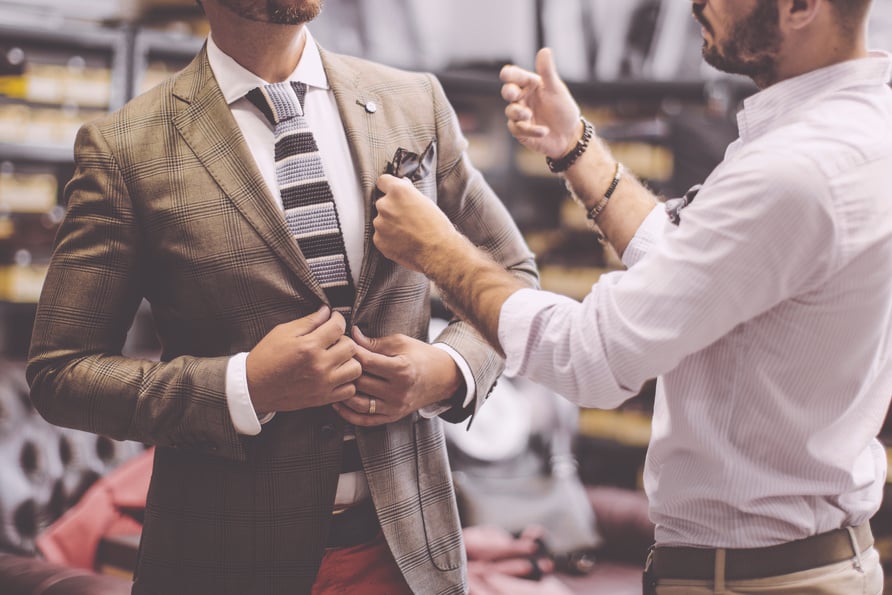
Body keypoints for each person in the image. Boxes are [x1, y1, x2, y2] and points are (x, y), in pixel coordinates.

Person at [371, 0, 892, 592]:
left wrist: (438, 249)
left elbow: (593, 356)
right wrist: (575, 147)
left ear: (801, 7)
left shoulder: (796, 170)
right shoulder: (862, 129)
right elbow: (690, 261)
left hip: (757, 579)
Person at [25, 0, 538, 593]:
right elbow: (60, 372)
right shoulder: (126, 149)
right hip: (221, 561)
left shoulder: (414, 103)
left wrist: (448, 370)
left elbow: (511, 272)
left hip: (407, 557)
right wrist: (244, 387)